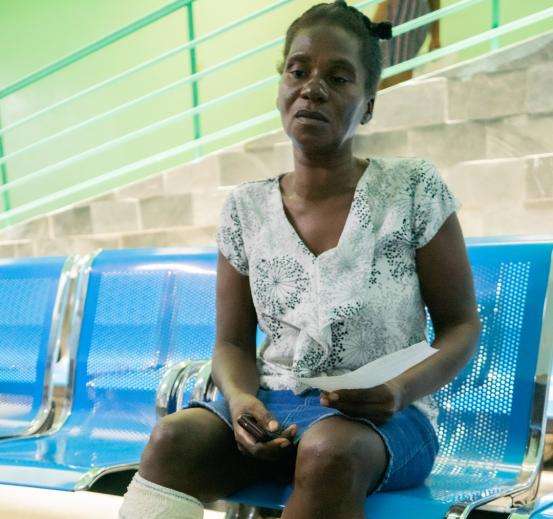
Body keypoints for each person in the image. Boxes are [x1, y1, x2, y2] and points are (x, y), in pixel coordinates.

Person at [119, 1, 481, 518]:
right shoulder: (247, 208)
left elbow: (462, 325)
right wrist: (243, 403)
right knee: (173, 438)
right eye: (299, 70)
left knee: (328, 452)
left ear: (370, 104)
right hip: (274, 406)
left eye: (339, 77)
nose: (313, 88)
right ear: (281, 86)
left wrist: (397, 393)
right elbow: (230, 343)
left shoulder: (412, 190)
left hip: (386, 419)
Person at [374, 0, 441, 89]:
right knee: (384, 74)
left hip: (407, 11)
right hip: (404, 12)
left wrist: (435, 36)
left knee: (396, 70)